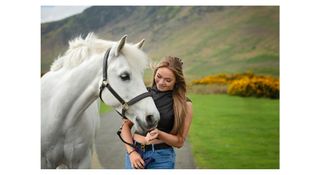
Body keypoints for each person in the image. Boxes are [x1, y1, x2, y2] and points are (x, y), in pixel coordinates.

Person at [120, 56, 193, 169]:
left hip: (162, 158)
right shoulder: (143, 95)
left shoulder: (185, 104)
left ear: (176, 81)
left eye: (168, 80)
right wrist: (132, 153)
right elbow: (125, 127)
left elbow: (179, 142)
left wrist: (159, 134)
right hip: (135, 154)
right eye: (158, 76)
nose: (161, 82)